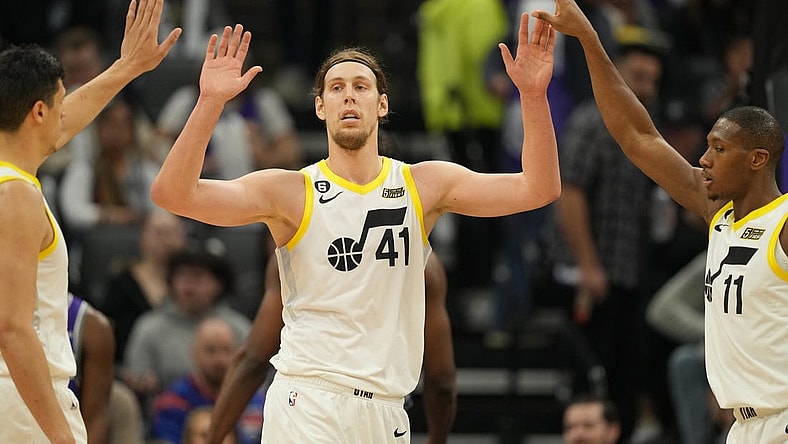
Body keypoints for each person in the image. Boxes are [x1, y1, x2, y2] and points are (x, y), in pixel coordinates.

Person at [150, 14, 559, 444]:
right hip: (308, 402)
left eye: (361, 87)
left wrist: (533, 96)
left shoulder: (425, 184)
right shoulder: (290, 191)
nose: (349, 96)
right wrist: (210, 102)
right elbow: (173, 194)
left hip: (387, 409)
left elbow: (539, 188)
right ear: (320, 107)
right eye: (337, 88)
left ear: (381, 104)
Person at [536, 1, 788, 442]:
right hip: (742, 425)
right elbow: (637, 136)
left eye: (720, 150)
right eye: (707, 145)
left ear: (758, 159)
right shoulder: (718, 213)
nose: (704, 159)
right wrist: (590, 40)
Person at [0, 1, 180, 442]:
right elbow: (12, 328)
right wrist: (60, 435)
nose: (67, 114)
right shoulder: (15, 195)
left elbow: (61, 127)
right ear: (37, 113)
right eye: (60, 103)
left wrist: (126, 67)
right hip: (22, 402)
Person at [205, 252, 457, 444]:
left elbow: (253, 359)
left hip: (308, 401)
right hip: (380, 409)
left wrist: (212, 438)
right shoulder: (424, 264)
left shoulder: (297, 246)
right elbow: (441, 380)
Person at [122, 249, 251, 407]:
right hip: (167, 416)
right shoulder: (149, 327)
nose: (189, 284)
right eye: (182, 275)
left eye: (198, 276)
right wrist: (142, 385)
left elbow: (256, 380)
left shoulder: (239, 328)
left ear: (218, 284)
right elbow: (136, 378)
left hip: (231, 413)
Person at [151, 317, 263, 444]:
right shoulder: (174, 402)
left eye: (226, 350)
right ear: (194, 353)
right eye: (210, 350)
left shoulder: (256, 400)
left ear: (237, 354)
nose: (219, 359)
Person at [100, 208, 189, 364]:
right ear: (143, 238)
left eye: (173, 233)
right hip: (130, 366)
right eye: (160, 233)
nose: (167, 241)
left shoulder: (194, 284)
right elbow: (106, 330)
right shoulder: (123, 283)